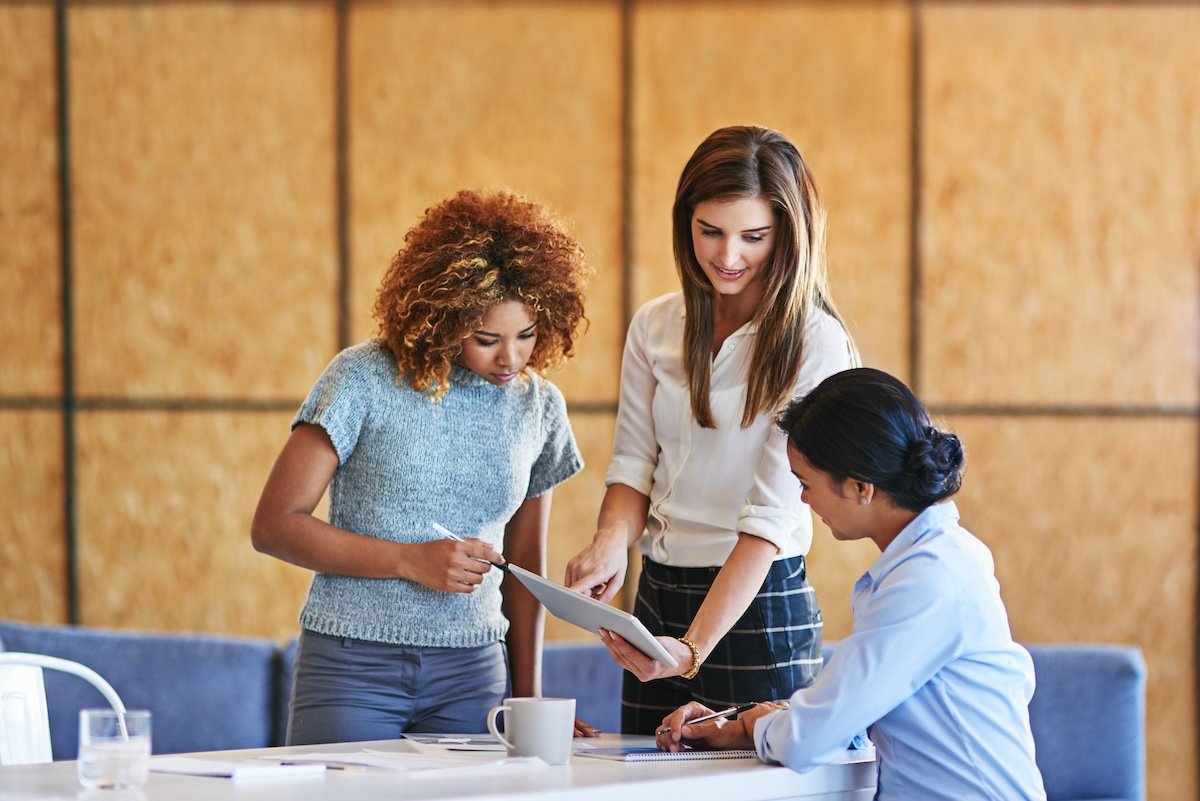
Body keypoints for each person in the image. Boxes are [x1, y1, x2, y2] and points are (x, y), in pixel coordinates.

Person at [251, 188, 593, 744]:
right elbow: (274, 525)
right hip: (351, 667)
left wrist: (527, 700)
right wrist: (410, 562)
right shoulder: (362, 378)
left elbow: (525, 566)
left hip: (473, 674)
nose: (511, 358)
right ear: (444, 316)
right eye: (487, 339)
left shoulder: (540, 408)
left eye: (526, 335)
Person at [565, 125, 859, 734]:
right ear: (685, 224)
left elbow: (771, 520)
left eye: (754, 237)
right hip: (658, 594)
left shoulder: (816, 342)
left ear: (789, 235)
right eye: (710, 232)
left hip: (760, 600)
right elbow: (633, 466)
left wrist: (692, 648)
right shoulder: (654, 327)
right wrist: (610, 543)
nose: (728, 256)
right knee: (646, 784)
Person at [653, 368, 1047, 800]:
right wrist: (743, 724)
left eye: (806, 483)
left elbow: (812, 735)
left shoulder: (929, 578)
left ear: (861, 487)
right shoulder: (931, 561)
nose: (804, 500)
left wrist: (753, 725)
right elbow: (857, 711)